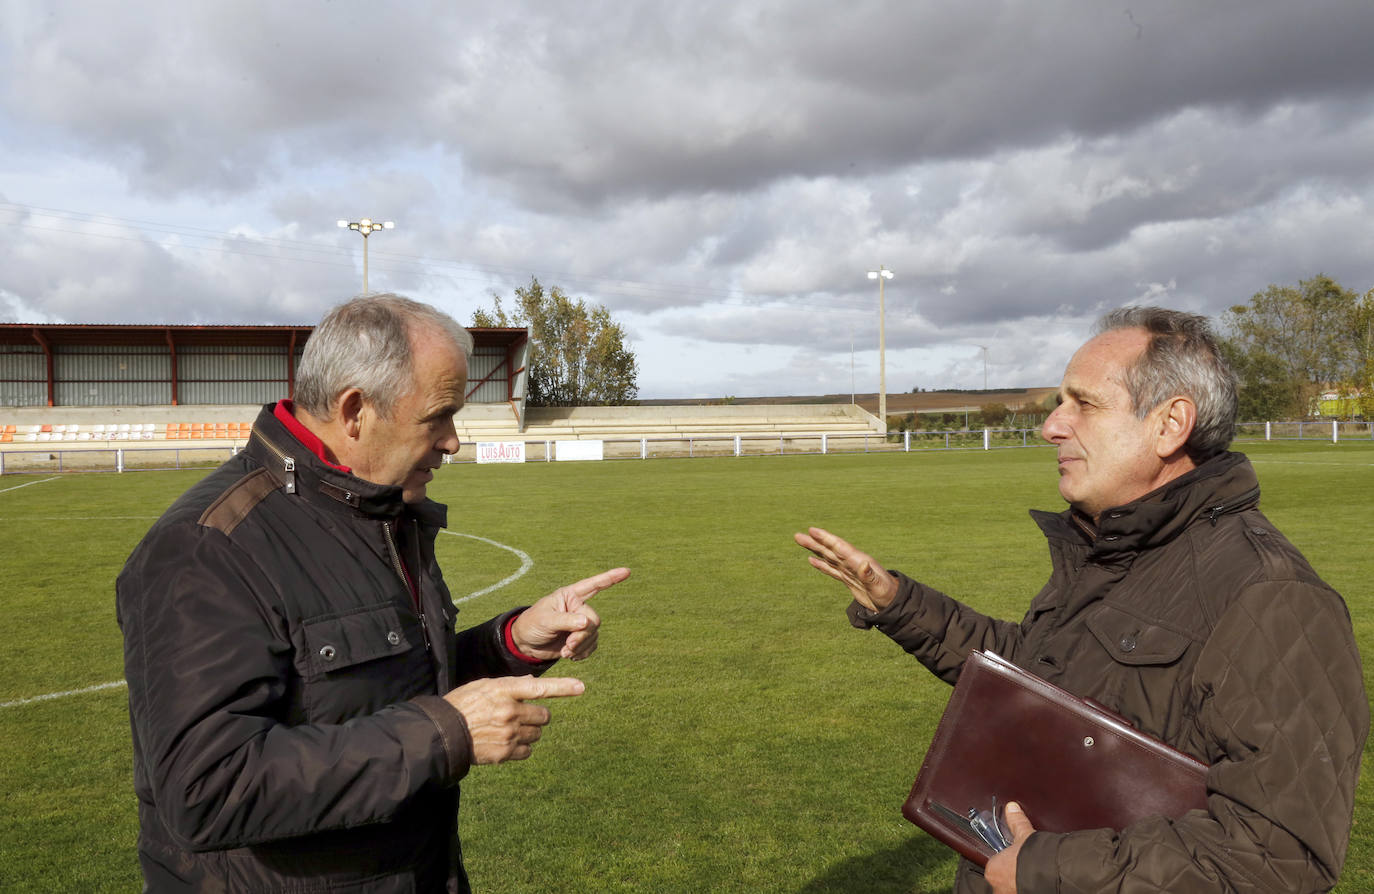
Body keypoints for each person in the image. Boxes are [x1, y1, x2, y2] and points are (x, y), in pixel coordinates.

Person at [796, 306, 1367, 894]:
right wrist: (899, 604)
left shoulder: (1275, 598)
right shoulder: (1113, 548)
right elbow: (1039, 675)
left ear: (1170, 424)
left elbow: (1278, 856)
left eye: (1083, 404)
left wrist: (1046, 871)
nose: (1052, 426)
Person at [117, 293, 629, 892]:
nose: (453, 442)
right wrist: (446, 735)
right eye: (437, 415)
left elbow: (387, 688)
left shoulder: (381, 512)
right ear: (356, 410)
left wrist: (512, 642)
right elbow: (206, 789)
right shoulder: (207, 548)